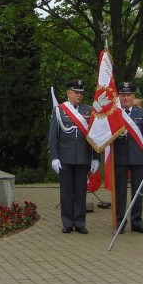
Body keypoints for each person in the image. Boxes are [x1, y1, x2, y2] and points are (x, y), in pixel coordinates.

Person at [50, 79, 99, 234]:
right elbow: (53, 136)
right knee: (66, 192)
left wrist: (96, 157)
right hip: (65, 157)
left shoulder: (89, 110)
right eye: (76, 92)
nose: (79, 95)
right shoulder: (59, 110)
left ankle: (80, 222)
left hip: (83, 158)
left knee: (80, 192)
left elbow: (95, 136)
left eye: (81, 93)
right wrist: (54, 157)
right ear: (68, 93)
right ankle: (67, 222)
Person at [114, 82, 143, 234]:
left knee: (138, 192)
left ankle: (137, 222)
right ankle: (120, 221)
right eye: (123, 95)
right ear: (119, 97)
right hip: (120, 158)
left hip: (138, 157)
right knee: (120, 192)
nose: (126, 98)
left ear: (133, 97)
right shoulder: (114, 113)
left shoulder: (142, 113)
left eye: (129, 95)